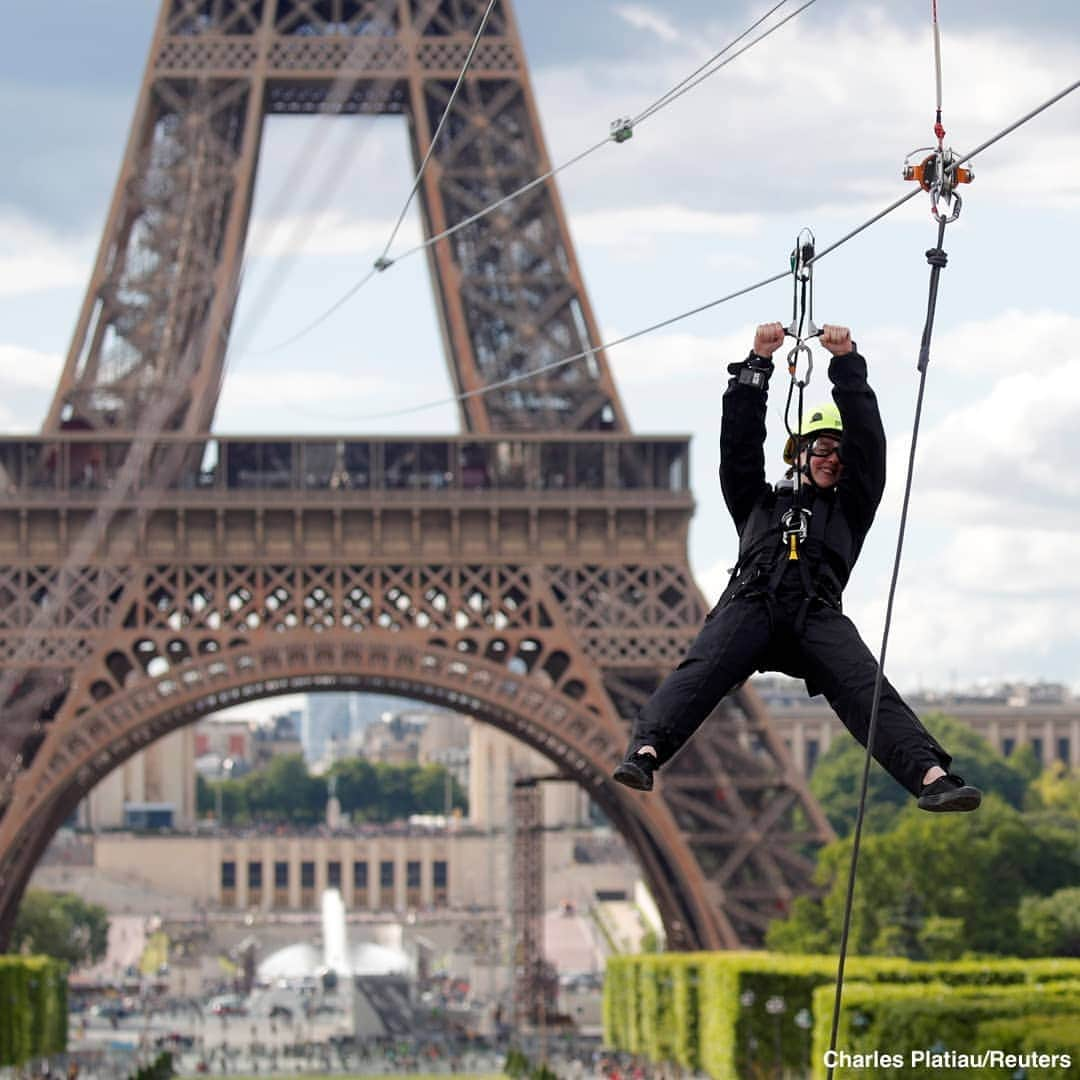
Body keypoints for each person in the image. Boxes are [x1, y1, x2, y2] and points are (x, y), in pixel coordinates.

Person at [612, 322, 981, 814]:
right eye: (824, 448)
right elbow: (738, 450)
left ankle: (932, 777)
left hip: (814, 612)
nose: (834, 460)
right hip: (753, 604)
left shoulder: (851, 507)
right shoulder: (757, 504)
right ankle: (645, 752)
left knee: (866, 691)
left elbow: (870, 444)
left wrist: (847, 363)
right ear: (799, 452)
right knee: (698, 673)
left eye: (841, 454)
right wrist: (756, 368)